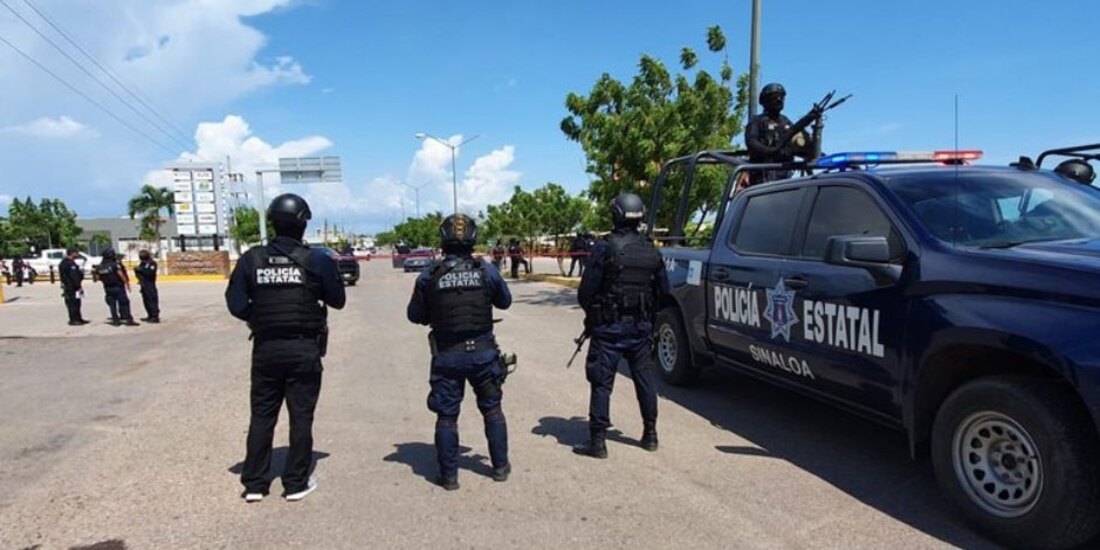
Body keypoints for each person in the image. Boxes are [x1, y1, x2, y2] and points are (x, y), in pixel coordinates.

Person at [226, 194, 346, 502]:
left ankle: (254, 483)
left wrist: (262, 317)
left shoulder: (252, 258)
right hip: (303, 348)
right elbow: (338, 300)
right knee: (301, 416)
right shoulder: (316, 260)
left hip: (266, 349)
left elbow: (236, 303)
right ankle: (295, 483)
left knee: (262, 416)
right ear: (303, 223)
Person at [407, 213, 512, 490]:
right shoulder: (486, 270)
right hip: (484, 354)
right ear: (473, 238)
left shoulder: (430, 274)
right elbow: (505, 302)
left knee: (447, 416)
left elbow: (414, 315)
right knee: (492, 410)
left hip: (447, 355)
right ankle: (500, 467)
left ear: (443, 239)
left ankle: (449, 476)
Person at [574, 193, 668, 459]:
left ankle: (598, 441)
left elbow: (586, 292)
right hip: (640, 328)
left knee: (602, 383)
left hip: (609, 329)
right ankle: (650, 435)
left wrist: (593, 315)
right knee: (645, 380)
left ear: (615, 214)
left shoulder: (605, 248)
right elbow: (663, 291)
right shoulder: (652, 249)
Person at [744, 82, 820, 185]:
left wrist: (814, 135)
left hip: (785, 181)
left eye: (781, 96)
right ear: (765, 100)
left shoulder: (785, 122)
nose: (779, 99)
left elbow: (802, 145)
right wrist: (772, 151)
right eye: (775, 97)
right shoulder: (757, 122)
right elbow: (752, 143)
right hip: (762, 181)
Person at [95, 248, 138, 326]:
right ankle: (127, 319)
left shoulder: (100, 266)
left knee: (112, 304)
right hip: (118, 287)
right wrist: (127, 283)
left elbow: (96, 279)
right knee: (124, 302)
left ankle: (115, 320)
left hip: (107, 288)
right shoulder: (114, 265)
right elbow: (121, 275)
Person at [58, 248, 88, 326]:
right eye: (76, 253)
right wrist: (79, 286)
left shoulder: (65, 262)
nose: (78, 255)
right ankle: (74, 320)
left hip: (71, 286)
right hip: (72, 287)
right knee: (72, 303)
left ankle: (78, 318)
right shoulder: (69, 263)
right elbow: (73, 276)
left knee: (77, 303)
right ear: (72, 253)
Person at [134, 249, 160, 323]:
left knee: (152, 300)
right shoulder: (142, 264)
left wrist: (140, 270)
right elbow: (139, 272)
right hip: (143, 284)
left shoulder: (152, 263)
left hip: (150, 284)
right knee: (146, 301)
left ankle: (155, 316)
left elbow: (150, 273)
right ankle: (150, 315)